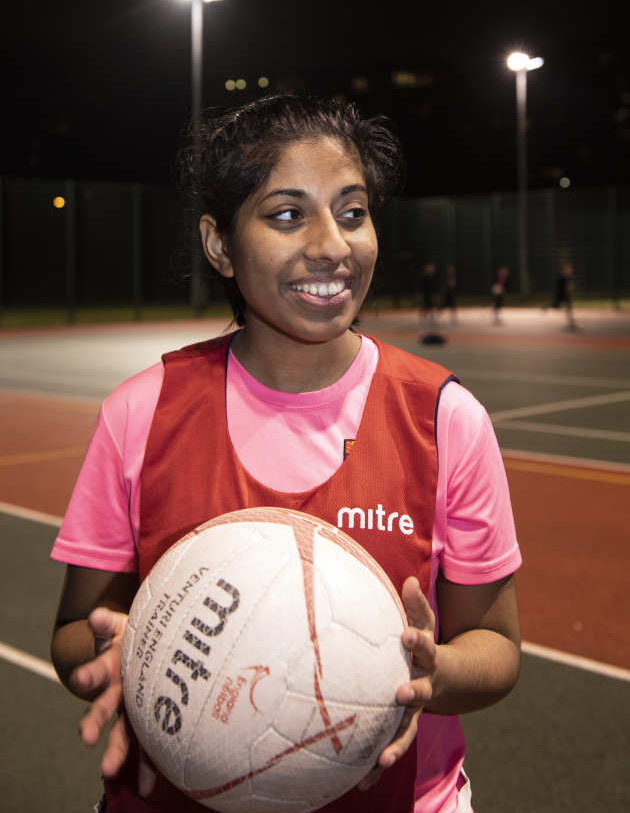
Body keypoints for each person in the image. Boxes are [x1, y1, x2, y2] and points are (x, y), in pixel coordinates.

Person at [50, 94, 522, 813]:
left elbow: (494, 645)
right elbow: (74, 633)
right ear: (219, 245)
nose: (333, 244)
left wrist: (435, 674)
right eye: (287, 214)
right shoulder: (141, 413)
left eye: (353, 211)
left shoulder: (444, 417)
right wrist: (123, 657)